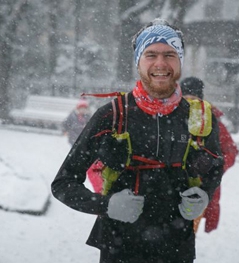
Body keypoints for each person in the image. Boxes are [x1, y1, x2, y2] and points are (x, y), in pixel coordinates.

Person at [51, 18, 223, 263]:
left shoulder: (200, 117)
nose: (160, 63)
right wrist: (105, 205)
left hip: (176, 245)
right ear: (138, 61)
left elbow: (215, 167)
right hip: (120, 245)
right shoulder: (112, 115)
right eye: (151, 54)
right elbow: (63, 183)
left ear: (180, 61)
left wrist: (204, 194)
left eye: (170, 55)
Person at [180, 76, 238, 233]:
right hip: (173, 185)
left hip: (200, 188)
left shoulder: (211, 121)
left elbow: (230, 151)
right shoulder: (173, 118)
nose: (189, 101)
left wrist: (214, 167)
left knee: (187, 235)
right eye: (186, 97)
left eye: (193, 98)